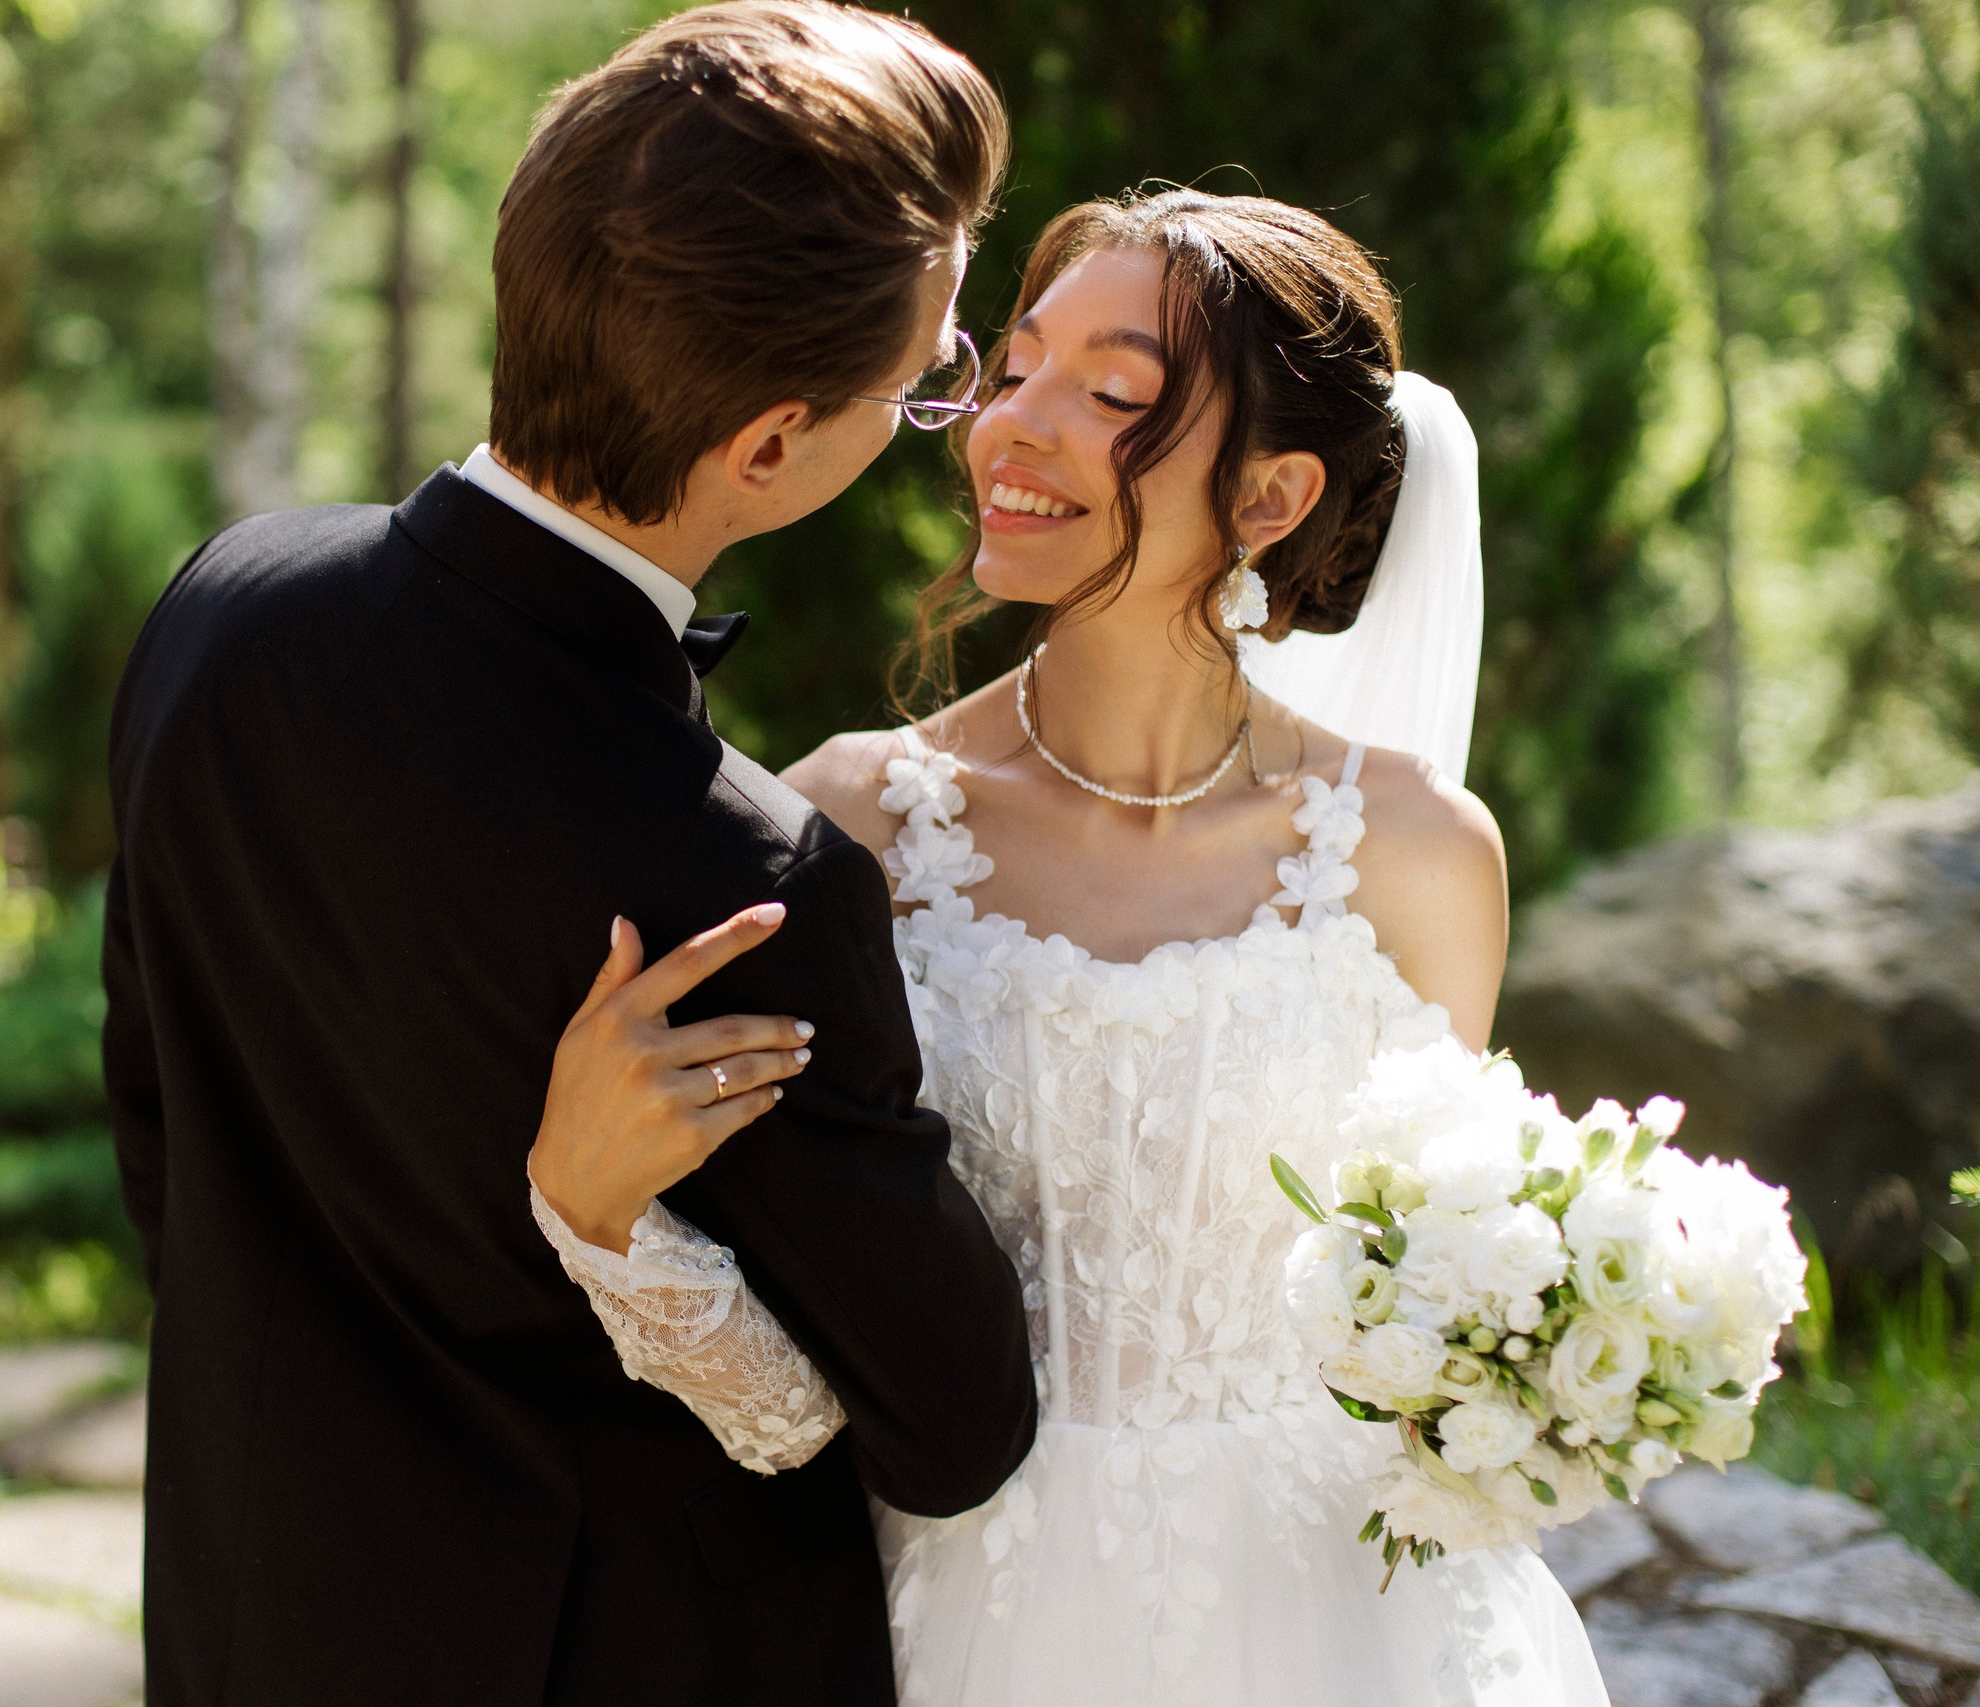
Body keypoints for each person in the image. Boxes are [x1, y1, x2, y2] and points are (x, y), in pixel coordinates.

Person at [526, 190, 1614, 1704]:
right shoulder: (855, 819)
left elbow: (1434, 1315)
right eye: (1014, 368)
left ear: (1274, 496)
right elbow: (804, 1404)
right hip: (965, 1607)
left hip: (1353, 1624)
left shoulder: (1424, 855)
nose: (1007, 431)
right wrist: (599, 1216)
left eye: (1107, 396)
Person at [100, 6, 1037, 1704]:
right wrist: (594, 1232)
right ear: (766, 445)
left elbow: (169, 1137)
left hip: (256, 1612)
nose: (950, 406)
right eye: (928, 384)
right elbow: (957, 1422)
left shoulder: (219, 608)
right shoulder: (748, 881)